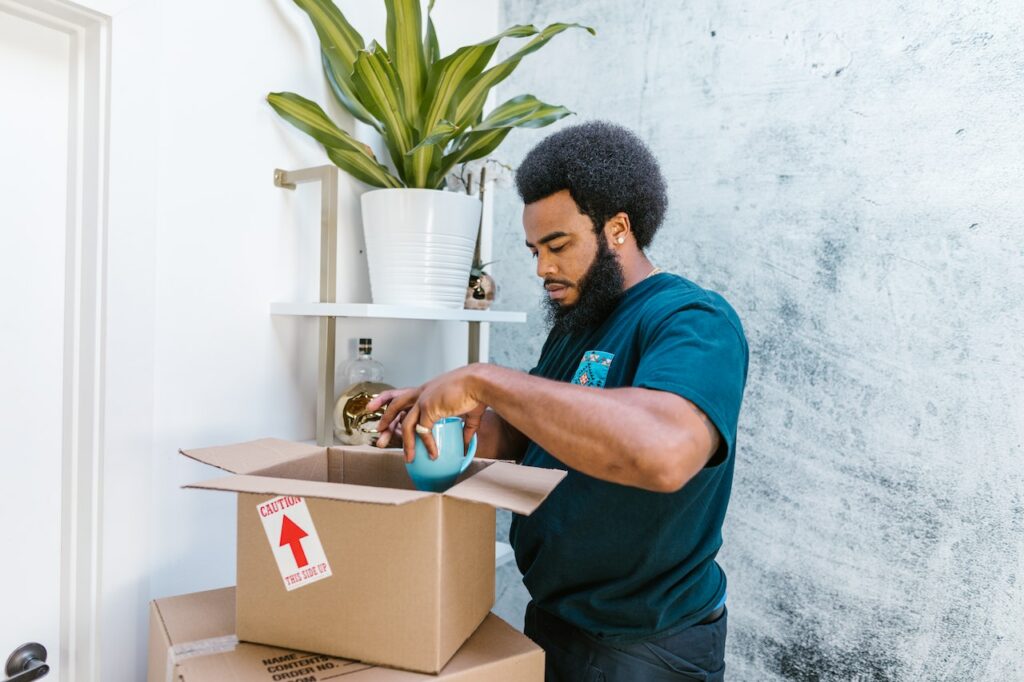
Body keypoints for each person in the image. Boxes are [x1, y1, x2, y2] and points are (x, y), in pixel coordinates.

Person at [367, 121, 749, 681]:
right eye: (533, 250)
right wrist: (452, 422)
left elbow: (664, 453)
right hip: (555, 620)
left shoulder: (692, 320)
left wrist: (487, 379)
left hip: (643, 647)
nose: (542, 268)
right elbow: (534, 436)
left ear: (618, 228)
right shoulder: (577, 323)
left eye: (558, 245)